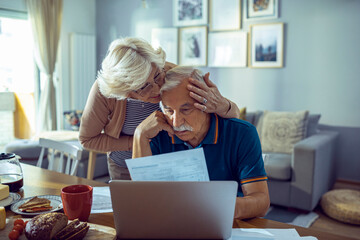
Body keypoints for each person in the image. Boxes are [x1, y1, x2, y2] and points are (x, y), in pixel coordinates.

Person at [79, 37, 241, 180]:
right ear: (126, 92)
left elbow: (234, 116)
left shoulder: (173, 74)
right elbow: (87, 139)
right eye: (143, 87)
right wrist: (137, 139)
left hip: (174, 165)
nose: (157, 89)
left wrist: (222, 105)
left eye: (157, 75)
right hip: (125, 168)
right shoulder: (106, 92)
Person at [132, 66, 269, 219]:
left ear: (207, 104)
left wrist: (223, 206)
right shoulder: (158, 133)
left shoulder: (242, 133)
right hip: (173, 223)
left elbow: (261, 201)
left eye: (186, 109)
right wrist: (140, 135)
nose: (176, 122)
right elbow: (142, 204)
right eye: (169, 110)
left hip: (226, 221)